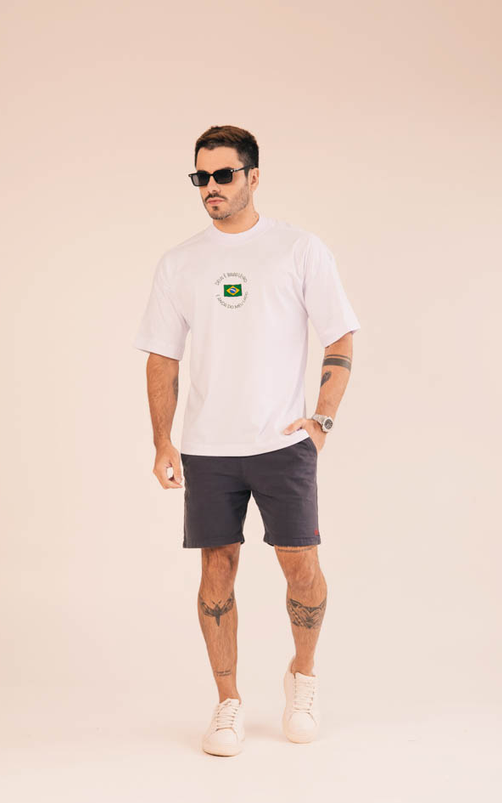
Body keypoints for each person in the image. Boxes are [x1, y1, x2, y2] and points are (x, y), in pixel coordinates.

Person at [133, 125, 361, 757]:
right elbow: (162, 357)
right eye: (200, 177)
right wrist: (162, 441)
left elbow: (340, 335)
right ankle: (228, 700)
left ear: (252, 177)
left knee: (302, 567)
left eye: (223, 175)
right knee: (217, 571)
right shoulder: (179, 262)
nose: (210, 187)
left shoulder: (298, 249)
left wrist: (322, 420)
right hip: (208, 448)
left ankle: (303, 676)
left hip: (283, 443)